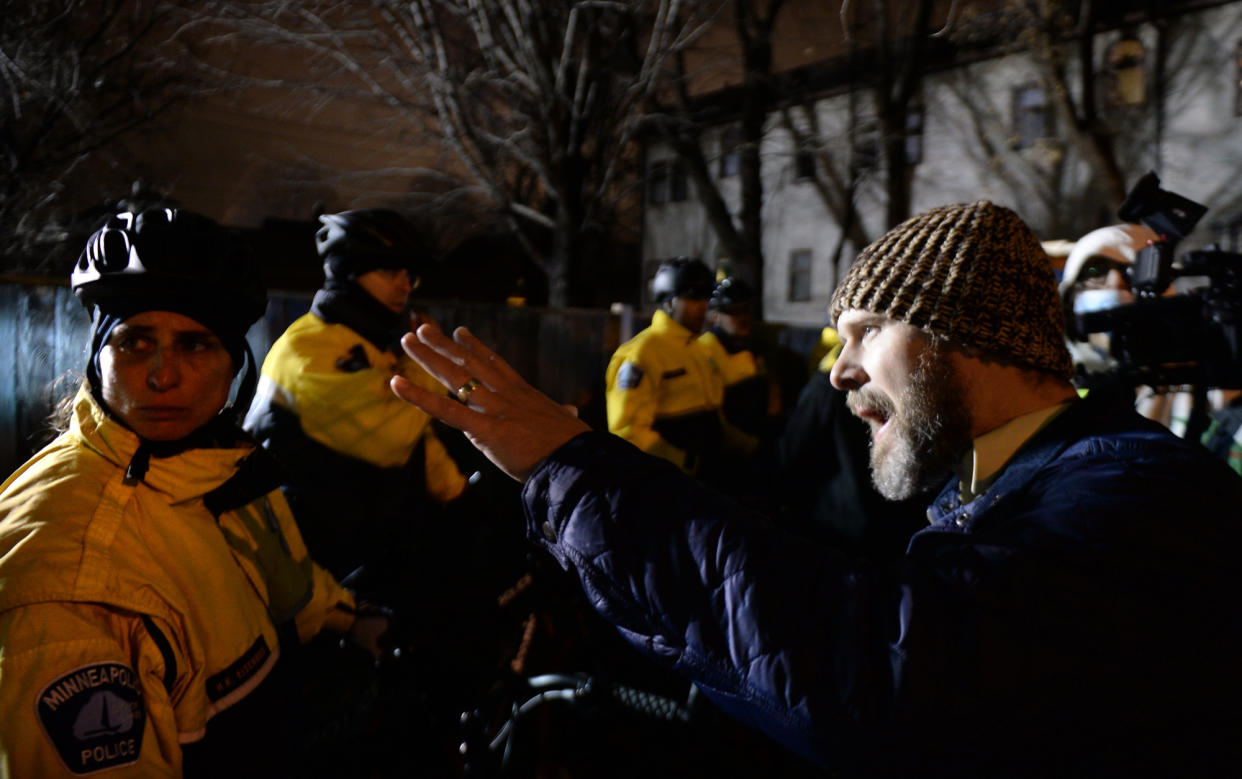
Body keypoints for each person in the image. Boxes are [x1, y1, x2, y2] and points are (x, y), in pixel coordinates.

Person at [390, 200, 1242, 776]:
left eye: (868, 330)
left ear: (965, 335)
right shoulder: (1016, 485)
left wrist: (571, 465)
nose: (838, 371)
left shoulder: (1133, 494)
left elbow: (881, 669)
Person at [0, 207, 389, 777]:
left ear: (235, 365)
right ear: (97, 358)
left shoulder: (217, 468)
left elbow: (286, 582)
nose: (163, 376)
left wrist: (354, 618)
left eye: (196, 344)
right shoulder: (69, 578)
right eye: (134, 343)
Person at [244, 208, 467, 594]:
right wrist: (427, 358)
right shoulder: (307, 348)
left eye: (409, 274)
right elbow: (391, 435)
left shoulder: (367, 343)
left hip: (378, 548)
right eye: (389, 271)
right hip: (316, 569)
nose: (405, 285)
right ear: (347, 270)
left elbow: (419, 441)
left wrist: (458, 493)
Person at [605, 257, 752, 477]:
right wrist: (684, 463)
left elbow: (712, 413)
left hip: (708, 475)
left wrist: (749, 447)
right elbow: (627, 432)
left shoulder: (697, 348)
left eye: (704, 298)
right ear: (668, 302)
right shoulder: (642, 353)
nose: (702, 306)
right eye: (693, 298)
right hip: (671, 482)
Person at [696, 276, 770, 437]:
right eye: (734, 311)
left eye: (745, 310)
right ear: (715, 316)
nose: (743, 317)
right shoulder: (705, 349)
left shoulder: (751, 346)